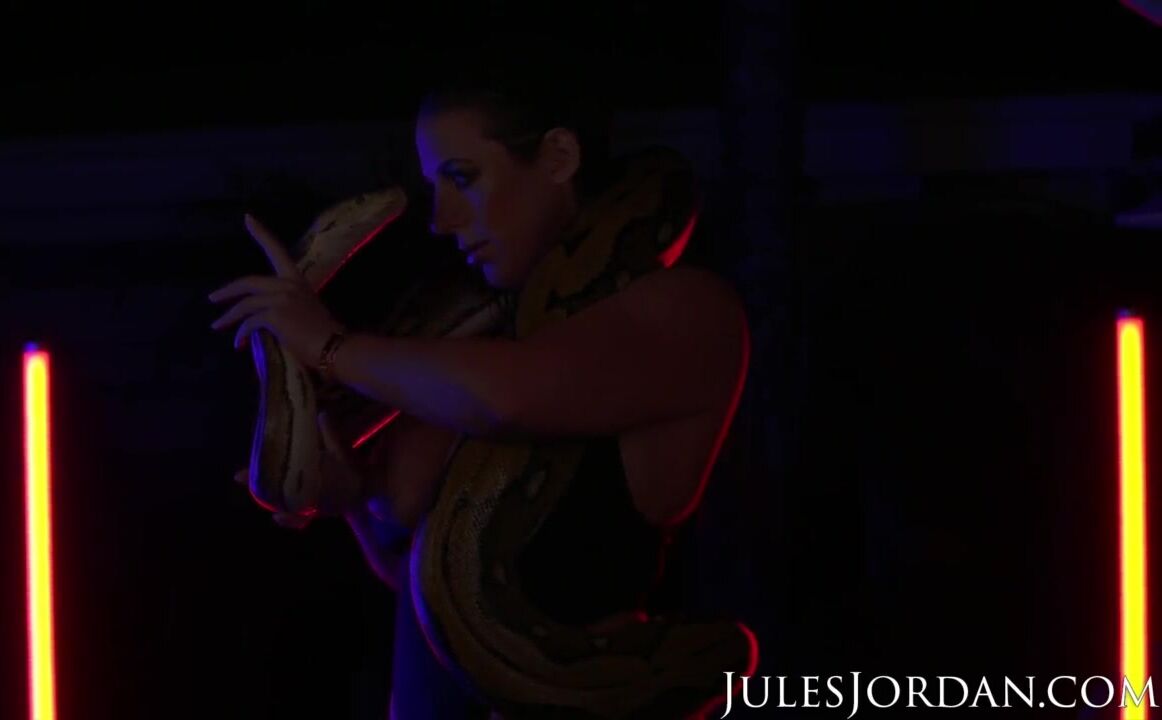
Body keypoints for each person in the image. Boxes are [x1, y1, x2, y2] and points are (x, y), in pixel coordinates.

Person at [210, 56, 752, 719]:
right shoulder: (480, 341)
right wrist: (348, 493)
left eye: (462, 178)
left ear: (558, 157)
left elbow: (510, 399)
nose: (440, 219)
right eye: (434, 185)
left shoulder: (683, 309)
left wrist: (329, 347)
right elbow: (418, 577)